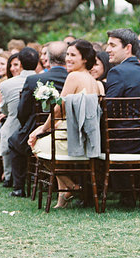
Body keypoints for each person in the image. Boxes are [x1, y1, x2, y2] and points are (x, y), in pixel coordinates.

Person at [28, 39, 104, 208]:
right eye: (67, 55)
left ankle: (69, 185)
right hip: (88, 138)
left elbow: (58, 110)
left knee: (36, 143)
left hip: (72, 138)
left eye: (73, 55)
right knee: (47, 142)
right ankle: (63, 196)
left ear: (84, 59)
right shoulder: (94, 80)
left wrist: (41, 129)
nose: (68, 59)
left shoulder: (74, 76)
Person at [9, 40, 69, 196]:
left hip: (39, 129)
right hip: (68, 131)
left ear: (47, 59)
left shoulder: (33, 80)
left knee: (14, 141)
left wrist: (27, 126)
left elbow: (22, 111)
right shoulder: (72, 78)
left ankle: (19, 188)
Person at [0, 47, 38, 188]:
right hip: (39, 126)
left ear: (20, 63)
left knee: (7, 129)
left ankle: (9, 176)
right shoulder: (43, 79)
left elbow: (5, 109)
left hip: (16, 124)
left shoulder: (6, 85)